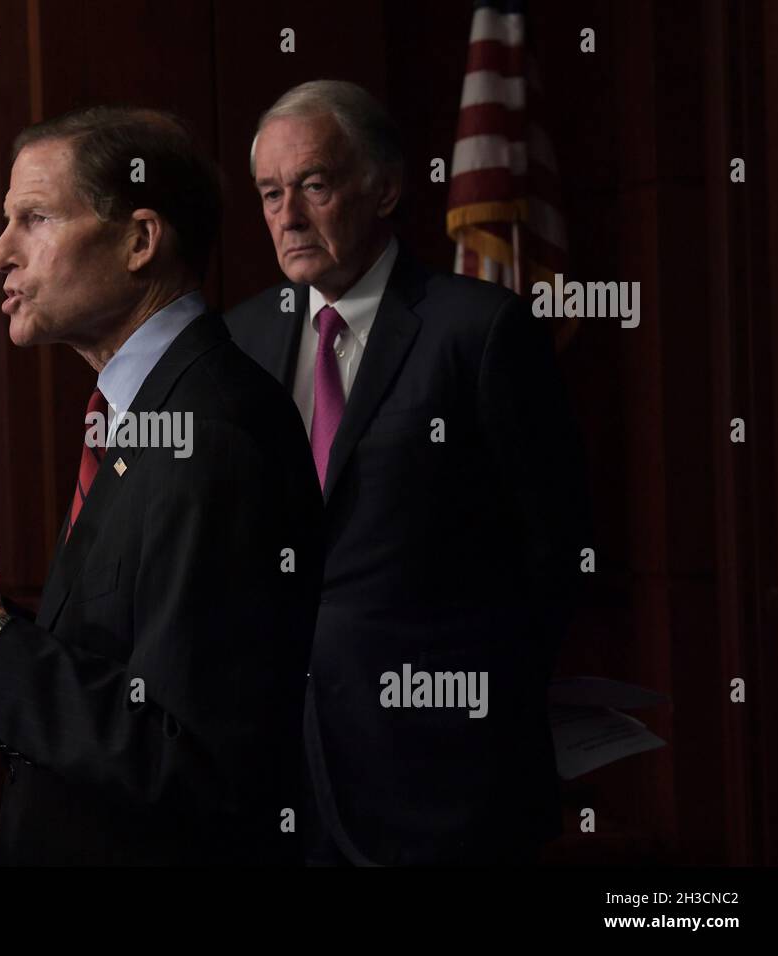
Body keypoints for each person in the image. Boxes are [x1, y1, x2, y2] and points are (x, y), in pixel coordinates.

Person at [0, 107, 323, 865]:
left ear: (141, 240)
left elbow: (193, 763)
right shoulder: (140, 414)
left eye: (34, 219)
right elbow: (116, 678)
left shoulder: (215, 432)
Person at [227, 80, 590, 865]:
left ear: (385, 187)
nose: (288, 215)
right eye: (270, 194)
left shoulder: (480, 330)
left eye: (314, 186)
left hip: (446, 786)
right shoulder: (242, 337)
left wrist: (475, 714)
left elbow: (555, 554)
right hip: (284, 778)